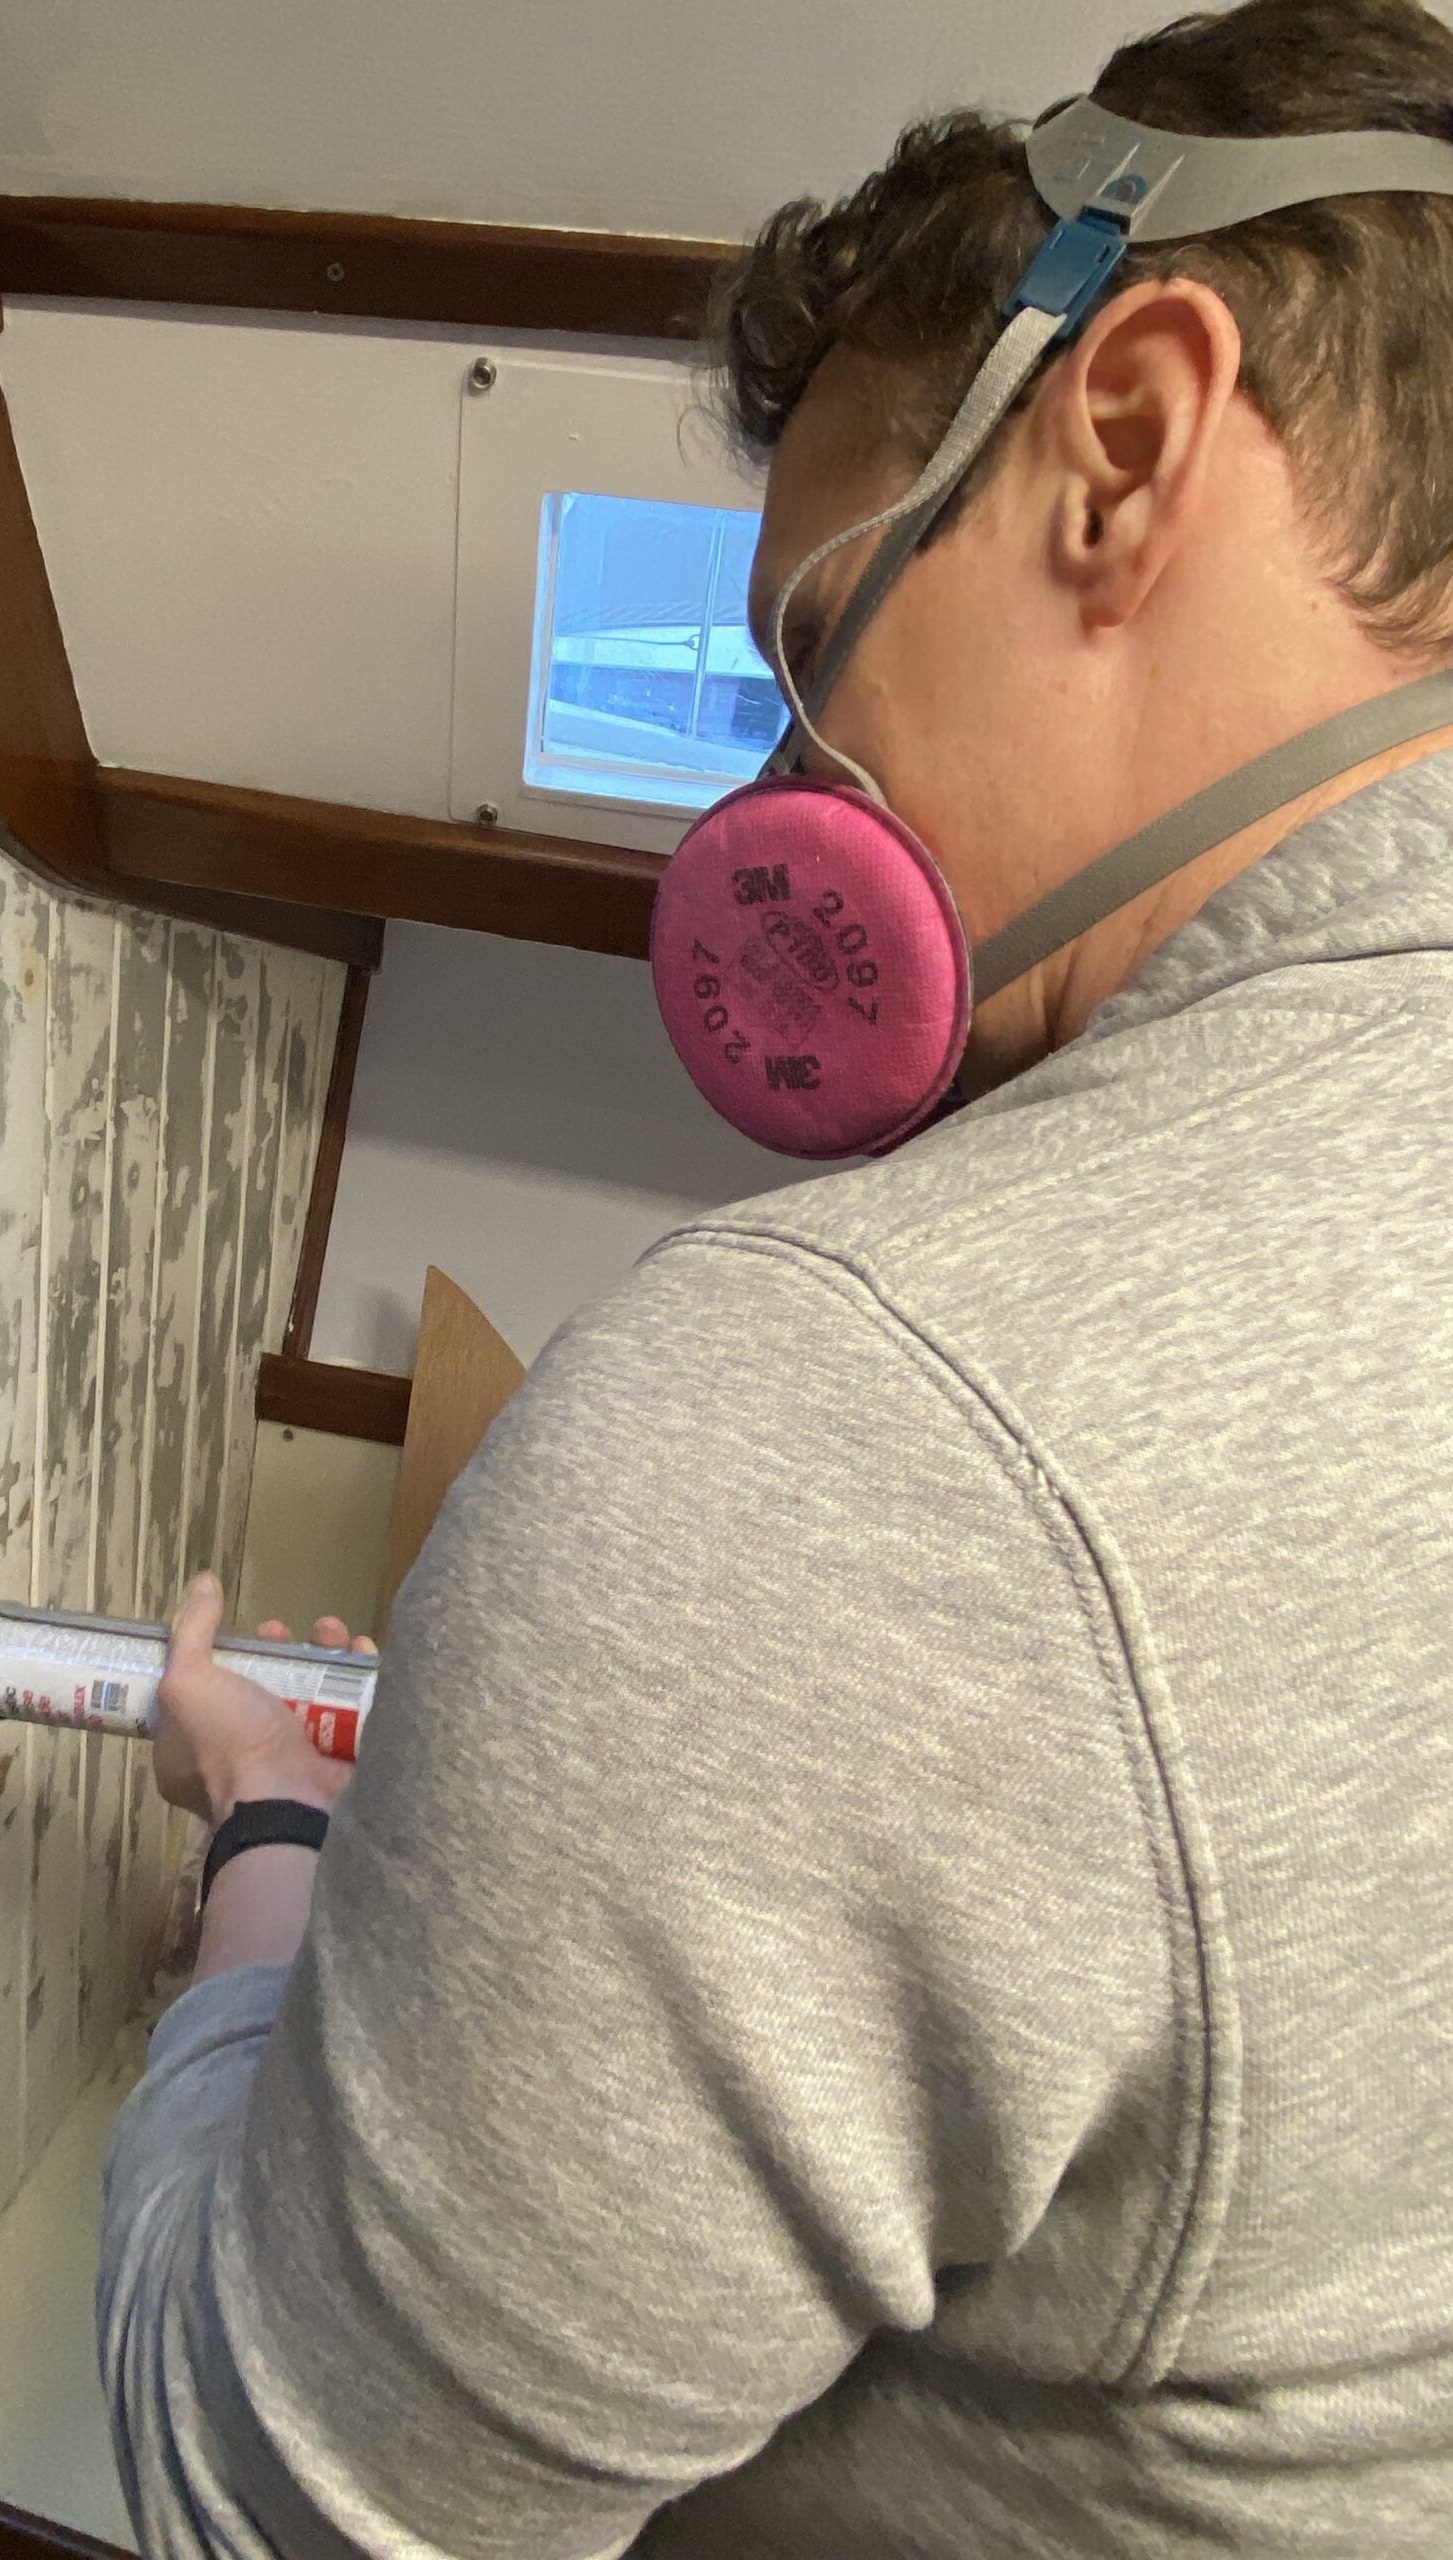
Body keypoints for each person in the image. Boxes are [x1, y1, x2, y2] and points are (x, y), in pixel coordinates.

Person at [98, 1, 1453, 2550]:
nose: (779, 802)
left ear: (1130, 442)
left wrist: (270, 1867)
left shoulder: (865, 1419)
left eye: (817, 647)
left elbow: (258, 2497)